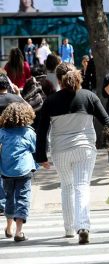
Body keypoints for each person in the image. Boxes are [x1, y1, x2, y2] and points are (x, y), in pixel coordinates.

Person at [35, 64, 109, 244]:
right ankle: (83, 226)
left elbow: (42, 130)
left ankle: (69, 228)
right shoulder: (89, 97)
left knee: (67, 186)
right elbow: (107, 122)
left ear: (59, 79)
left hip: (60, 151)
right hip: (84, 149)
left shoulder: (51, 100)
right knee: (82, 185)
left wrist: (41, 156)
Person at [0, 102, 37, 242]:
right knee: (23, 198)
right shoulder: (29, 132)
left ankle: (9, 227)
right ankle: (19, 232)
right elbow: (34, 149)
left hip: (6, 171)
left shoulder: (2, 132)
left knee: (9, 197)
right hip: (24, 170)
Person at [0, 73, 25, 217]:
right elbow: (28, 110)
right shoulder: (15, 99)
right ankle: (12, 202)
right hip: (13, 140)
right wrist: (18, 94)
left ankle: (2, 203)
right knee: (11, 171)